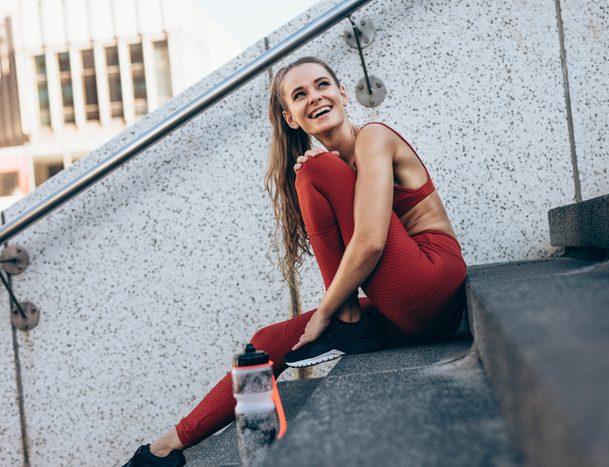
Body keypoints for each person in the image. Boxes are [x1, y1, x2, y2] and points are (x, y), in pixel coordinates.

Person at [123, 56, 467, 466]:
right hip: (405, 306)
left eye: (323, 85)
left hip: (431, 281)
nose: (315, 97)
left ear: (342, 93)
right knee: (267, 342)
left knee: (313, 172)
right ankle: (166, 448)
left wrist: (325, 313)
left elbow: (372, 242)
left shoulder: (373, 137)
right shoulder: (332, 168)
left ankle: (344, 318)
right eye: (300, 95)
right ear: (290, 118)